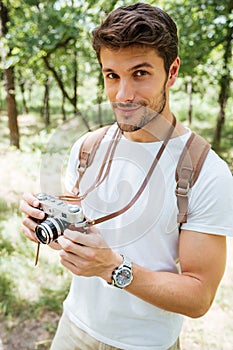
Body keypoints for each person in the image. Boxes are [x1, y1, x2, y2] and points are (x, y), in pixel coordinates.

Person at [20, 3, 233, 350]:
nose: (123, 95)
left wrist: (113, 268)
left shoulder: (207, 173)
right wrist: (44, 226)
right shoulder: (87, 147)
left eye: (140, 73)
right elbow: (79, 236)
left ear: (173, 71)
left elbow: (199, 296)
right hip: (73, 327)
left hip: (146, 343)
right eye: (112, 76)